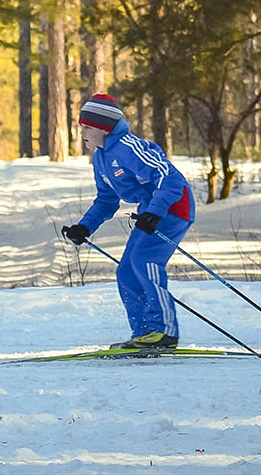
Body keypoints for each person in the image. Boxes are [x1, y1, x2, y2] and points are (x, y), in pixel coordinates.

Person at [61, 94, 195, 349]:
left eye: (87, 127)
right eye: (81, 127)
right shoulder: (100, 158)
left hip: (174, 206)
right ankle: (144, 333)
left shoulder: (128, 147)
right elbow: (107, 200)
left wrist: (155, 212)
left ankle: (164, 331)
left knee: (144, 261)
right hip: (151, 209)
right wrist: (84, 227)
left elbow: (170, 178)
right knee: (126, 269)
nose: (82, 133)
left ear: (104, 128)